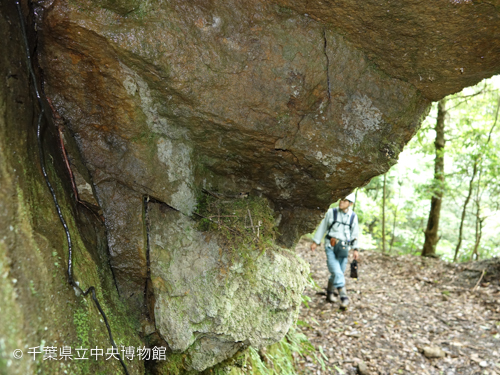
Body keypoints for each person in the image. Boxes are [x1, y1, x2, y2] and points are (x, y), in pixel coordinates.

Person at [310, 193, 360, 308]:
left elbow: (355, 233)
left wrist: (355, 249)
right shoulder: (331, 212)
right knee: (337, 272)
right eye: (341, 200)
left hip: (344, 248)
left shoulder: (353, 216)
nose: (341, 202)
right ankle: (344, 296)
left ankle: (329, 293)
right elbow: (323, 227)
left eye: (345, 201)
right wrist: (316, 241)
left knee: (338, 273)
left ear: (350, 204)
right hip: (330, 246)